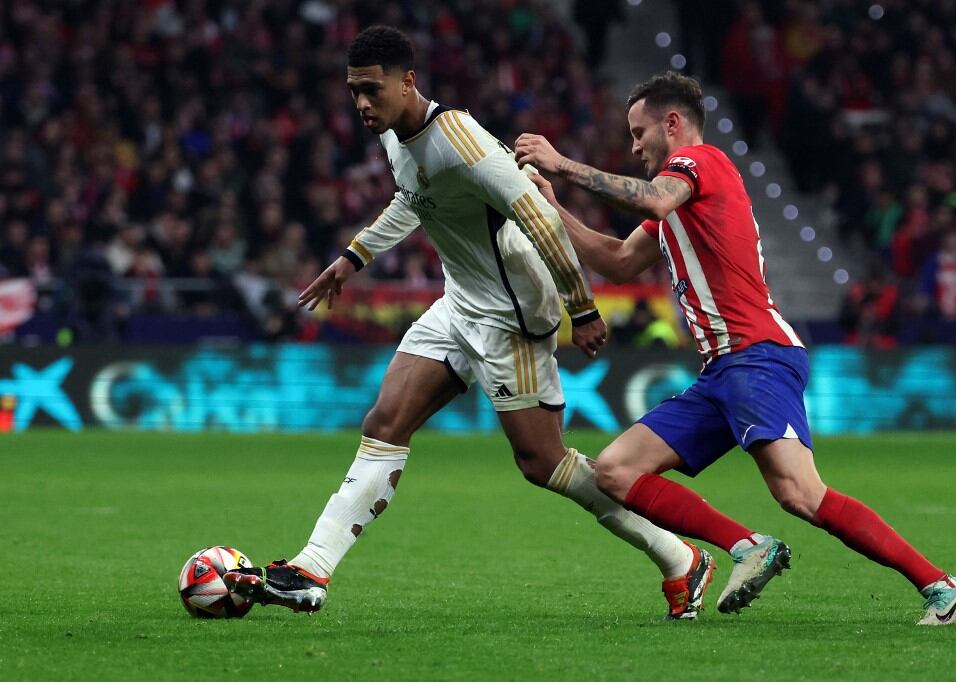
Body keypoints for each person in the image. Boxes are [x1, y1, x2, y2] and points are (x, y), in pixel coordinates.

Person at [224, 28, 716, 620]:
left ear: (408, 82)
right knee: (384, 421)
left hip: (511, 314)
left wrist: (580, 307)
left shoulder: (461, 140)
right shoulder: (393, 135)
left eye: (371, 90)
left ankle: (679, 558)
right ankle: (311, 570)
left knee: (544, 463)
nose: (361, 104)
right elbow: (413, 197)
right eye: (354, 91)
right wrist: (353, 256)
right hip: (461, 301)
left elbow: (540, 217)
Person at [514, 71, 956, 625]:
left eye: (640, 132)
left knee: (800, 494)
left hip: (757, 353)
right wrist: (551, 207)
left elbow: (656, 201)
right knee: (616, 469)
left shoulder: (700, 165)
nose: (634, 145)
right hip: (721, 369)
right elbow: (616, 260)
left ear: (673, 123)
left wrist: (563, 164)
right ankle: (746, 546)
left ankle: (942, 586)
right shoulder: (677, 202)